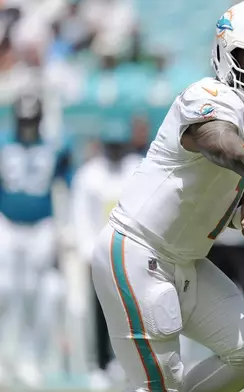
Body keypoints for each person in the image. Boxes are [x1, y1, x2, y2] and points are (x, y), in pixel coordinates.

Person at [91, 2, 244, 390]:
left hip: (186, 261)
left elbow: (217, 179)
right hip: (139, 252)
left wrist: (242, 212)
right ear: (225, 52)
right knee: (161, 385)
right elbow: (223, 148)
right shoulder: (204, 94)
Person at [0, 94, 70, 387]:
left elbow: (66, 182)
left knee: (31, 291)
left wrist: (65, 225)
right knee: (4, 289)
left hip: (41, 224)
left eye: (32, 120)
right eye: (24, 120)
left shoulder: (56, 144)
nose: (27, 126)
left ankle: (29, 357)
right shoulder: (4, 141)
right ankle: (5, 357)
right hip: (6, 221)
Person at [71, 121, 143, 389]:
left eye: (118, 146)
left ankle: (127, 363)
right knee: (100, 310)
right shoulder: (89, 174)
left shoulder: (137, 167)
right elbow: (81, 216)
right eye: (110, 146)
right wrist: (88, 251)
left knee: (132, 310)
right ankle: (100, 364)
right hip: (100, 254)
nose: (115, 152)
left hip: (131, 252)